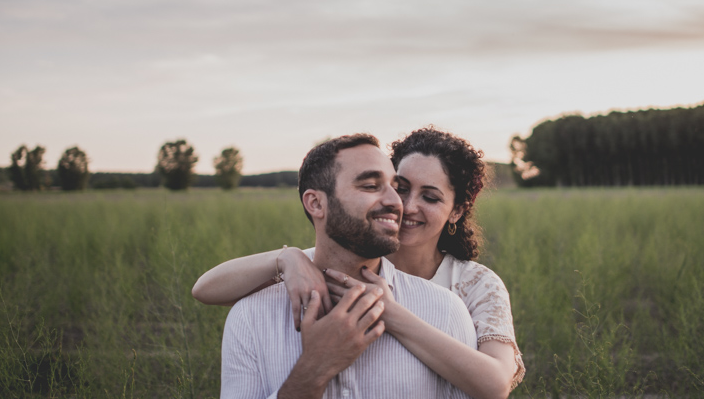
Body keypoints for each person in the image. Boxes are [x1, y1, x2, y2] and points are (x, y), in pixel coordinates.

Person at [196, 127, 525, 399]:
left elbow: (494, 383)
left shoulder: (458, 301)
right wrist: (288, 258)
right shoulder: (269, 301)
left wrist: (390, 313)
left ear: (456, 210)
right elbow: (205, 289)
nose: (403, 205)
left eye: (430, 196)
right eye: (397, 187)